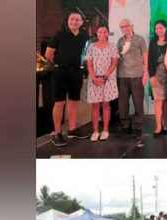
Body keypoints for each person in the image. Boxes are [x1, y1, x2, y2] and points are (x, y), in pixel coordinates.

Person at [45, 11, 91, 147]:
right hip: (61, 73)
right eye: (72, 19)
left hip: (76, 73)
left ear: (81, 22)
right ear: (68, 21)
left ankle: (72, 130)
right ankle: (57, 133)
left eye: (77, 20)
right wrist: (61, 64)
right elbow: (48, 54)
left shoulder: (84, 36)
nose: (74, 22)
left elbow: (86, 53)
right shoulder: (59, 34)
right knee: (59, 103)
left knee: (73, 102)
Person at [85, 24, 119, 142]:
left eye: (104, 32)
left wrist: (104, 77)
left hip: (108, 80)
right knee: (95, 106)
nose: (102, 34)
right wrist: (94, 77)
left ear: (108, 33)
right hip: (94, 80)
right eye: (99, 32)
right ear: (97, 33)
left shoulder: (112, 47)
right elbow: (89, 63)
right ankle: (95, 131)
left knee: (105, 105)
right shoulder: (91, 47)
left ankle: (105, 130)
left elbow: (114, 63)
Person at [116, 18, 149, 142]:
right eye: (122, 27)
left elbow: (145, 56)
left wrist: (145, 73)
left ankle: (138, 126)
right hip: (122, 75)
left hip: (137, 75)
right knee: (123, 102)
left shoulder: (140, 39)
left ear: (132, 26)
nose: (125, 29)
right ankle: (125, 125)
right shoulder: (120, 41)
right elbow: (117, 58)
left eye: (127, 26)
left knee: (138, 102)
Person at [148, 20, 167, 137]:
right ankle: (158, 126)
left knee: (166, 101)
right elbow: (150, 60)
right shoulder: (152, 42)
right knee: (158, 101)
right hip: (156, 75)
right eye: (156, 28)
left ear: (166, 28)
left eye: (161, 28)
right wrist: (151, 75)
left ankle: (165, 125)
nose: (158, 30)